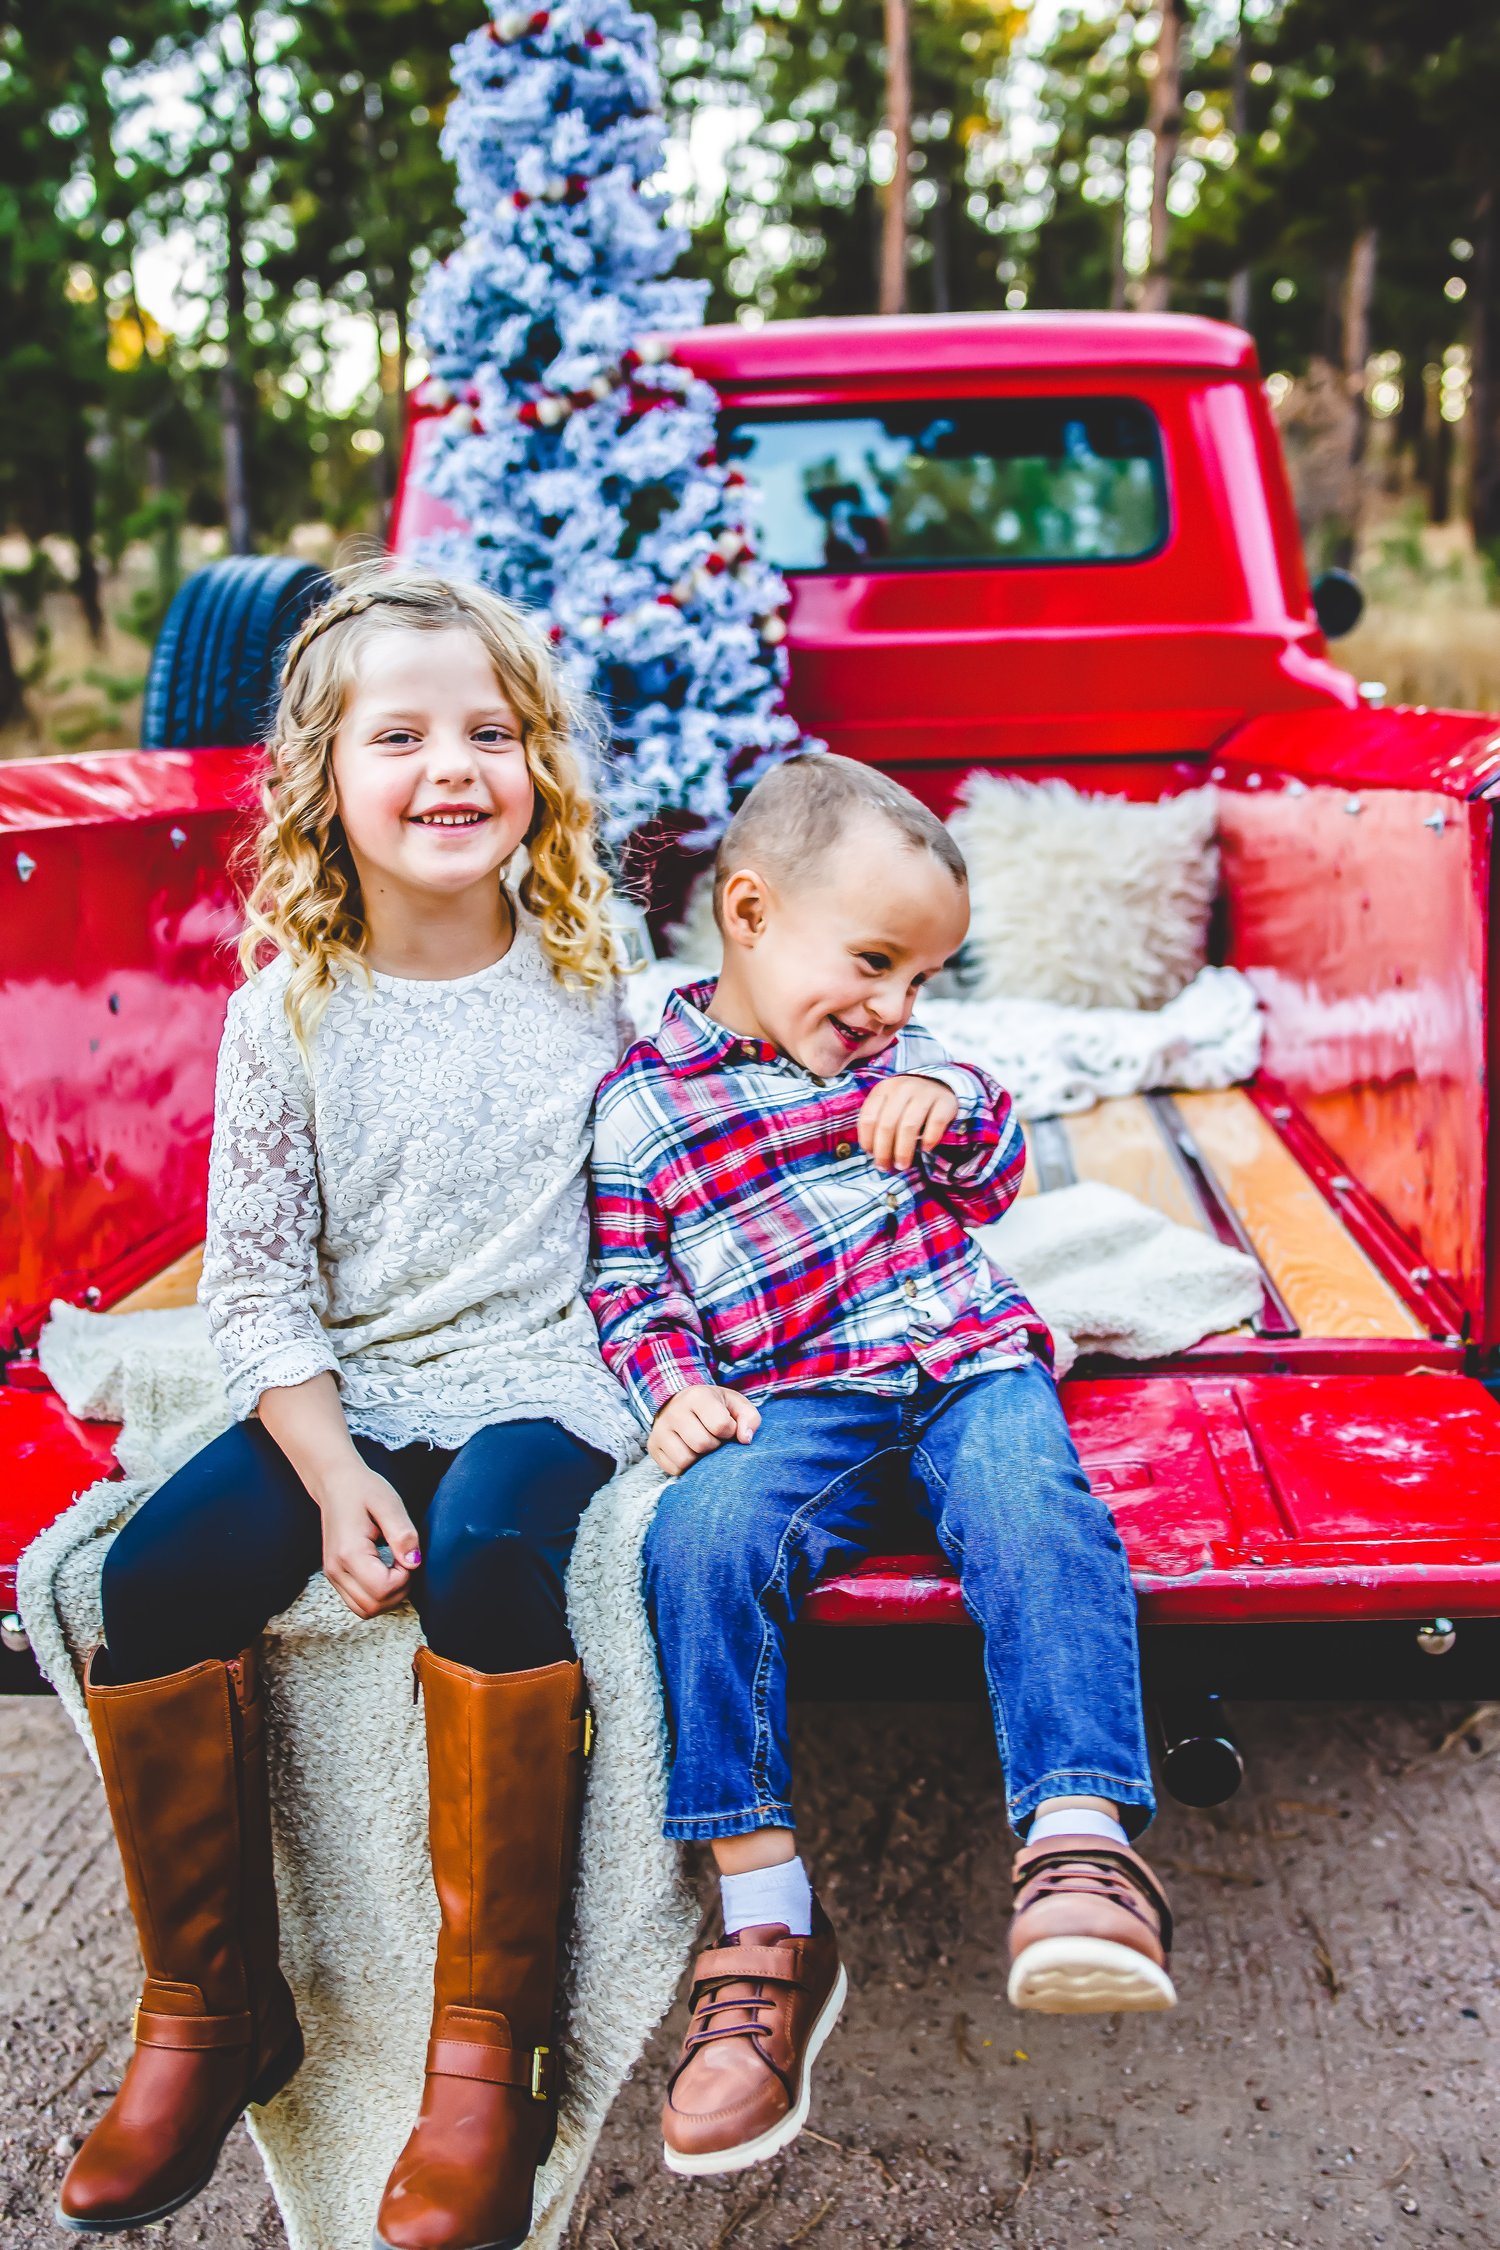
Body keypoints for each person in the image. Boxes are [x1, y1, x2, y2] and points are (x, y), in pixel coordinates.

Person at [56, 565, 641, 2250]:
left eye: (492, 729)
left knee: (487, 1559)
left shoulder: (597, 979)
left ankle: (489, 2060)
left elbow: (686, 1174)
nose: (453, 765)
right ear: (324, 781)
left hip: (539, 1371)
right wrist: (319, 1470)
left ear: (539, 764)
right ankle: (211, 2008)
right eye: (403, 733)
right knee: (145, 1580)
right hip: (355, 1377)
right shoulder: (287, 1009)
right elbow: (252, 1283)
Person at [588, 752, 1174, 2181]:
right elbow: (627, 1281)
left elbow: (994, 1170)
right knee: (697, 1540)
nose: (896, 1004)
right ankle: (766, 1916)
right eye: (871, 962)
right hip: (793, 1398)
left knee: (1041, 1513)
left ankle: (1078, 1843)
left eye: (925, 977)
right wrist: (668, 1388)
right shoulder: (641, 1110)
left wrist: (953, 1106)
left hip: (962, 1361)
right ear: (745, 913)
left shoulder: (910, 1063)